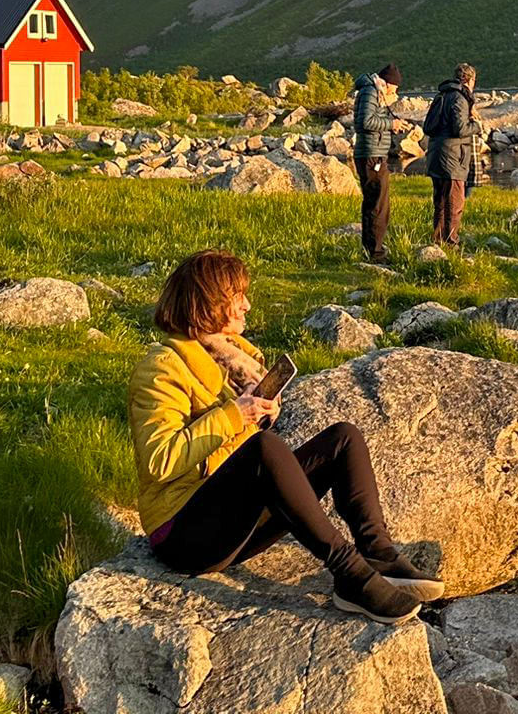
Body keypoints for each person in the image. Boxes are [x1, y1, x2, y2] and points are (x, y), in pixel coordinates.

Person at [130, 250, 441, 623]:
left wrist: (257, 414)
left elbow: (231, 453)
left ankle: (379, 553)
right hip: (183, 536)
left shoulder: (236, 361)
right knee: (264, 450)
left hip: (231, 519)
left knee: (344, 438)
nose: (246, 304)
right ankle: (350, 574)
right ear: (209, 304)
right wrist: (235, 414)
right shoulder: (161, 370)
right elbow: (160, 460)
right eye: (236, 297)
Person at [421, 63, 482, 249]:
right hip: (453, 157)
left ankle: (438, 240)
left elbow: (428, 127)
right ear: (469, 80)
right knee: (454, 202)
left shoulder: (441, 95)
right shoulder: (460, 98)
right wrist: (477, 125)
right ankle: (451, 242)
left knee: (439, 201)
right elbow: (460, 128)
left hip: (436, 154)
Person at [351, 62, 403, 262]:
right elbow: (365, 122)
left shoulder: (373, 92)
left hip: (373, 153)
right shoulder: (371, 92)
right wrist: (391, 124)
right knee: (378, 204)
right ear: (387, 83)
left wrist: (391, 127)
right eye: (395, 88)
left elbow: (372, 119)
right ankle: (375, 253)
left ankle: (371, 248)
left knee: (375, 202)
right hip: (371, 155)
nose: (395, 93)